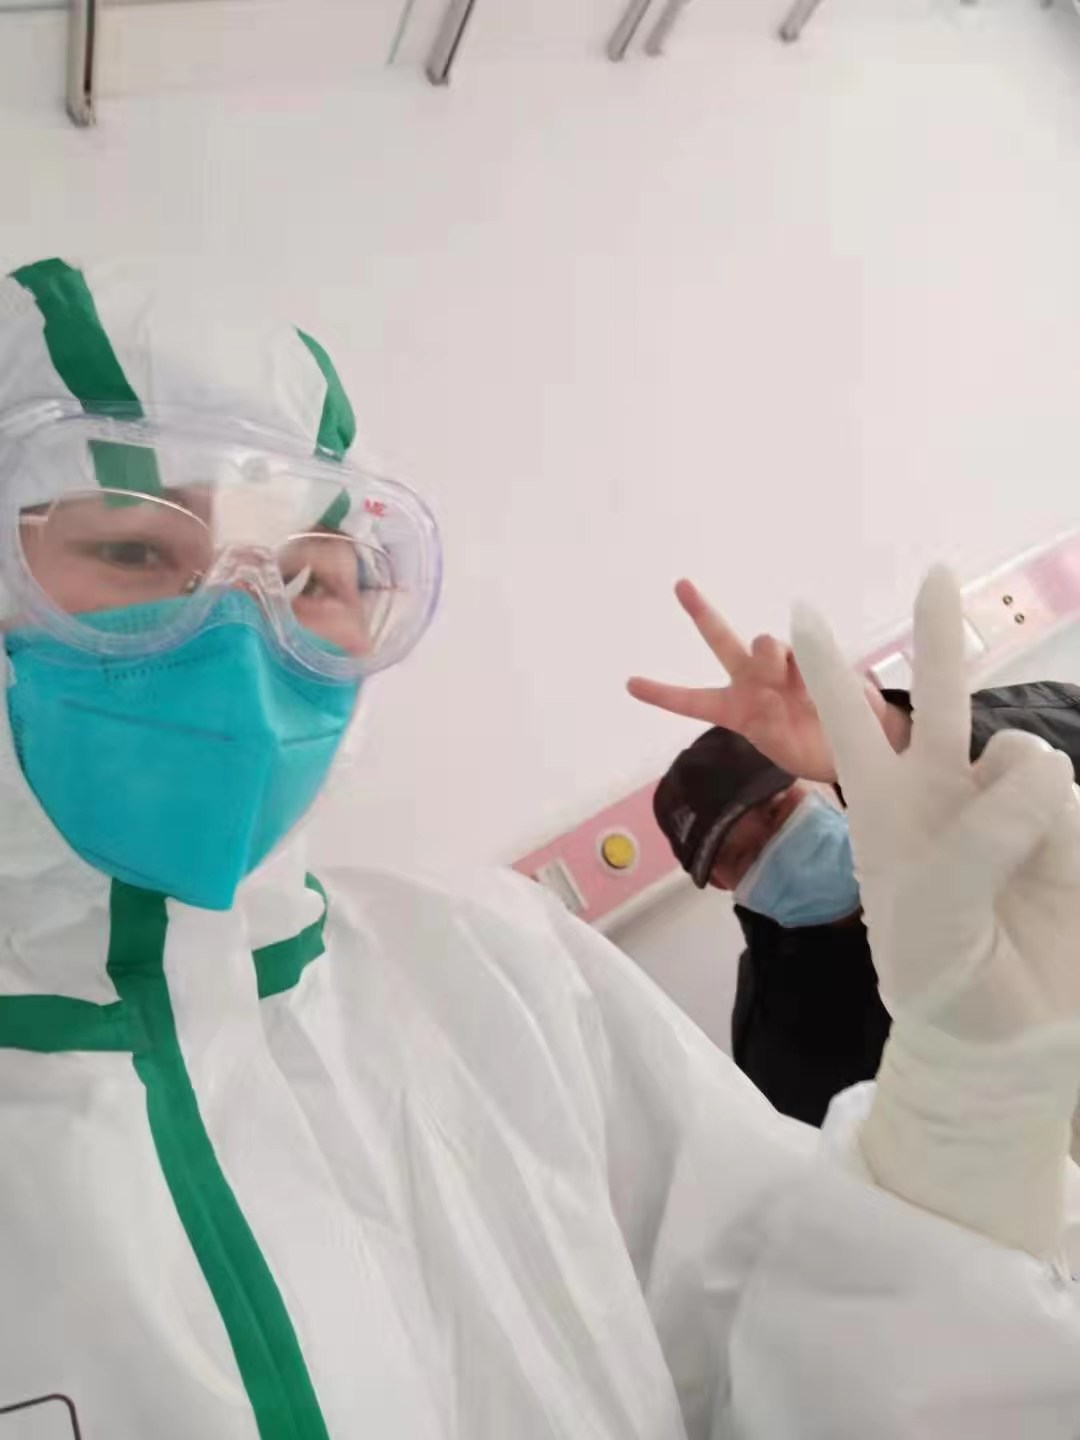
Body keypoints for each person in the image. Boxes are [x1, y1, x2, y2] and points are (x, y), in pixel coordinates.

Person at [0, 258, 1078, 1440]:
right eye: (135, 553)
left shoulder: (492, 970)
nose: (241, 625)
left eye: (311, 577)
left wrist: (965, 1115)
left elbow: (808, 1364)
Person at [636, 579, 1080, 1125]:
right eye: (742, 856)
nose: (778, 849)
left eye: (776, 812)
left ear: (816, 782)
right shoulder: (777, 1038)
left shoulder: (948, 795)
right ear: (721, 883)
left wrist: (896, 736)